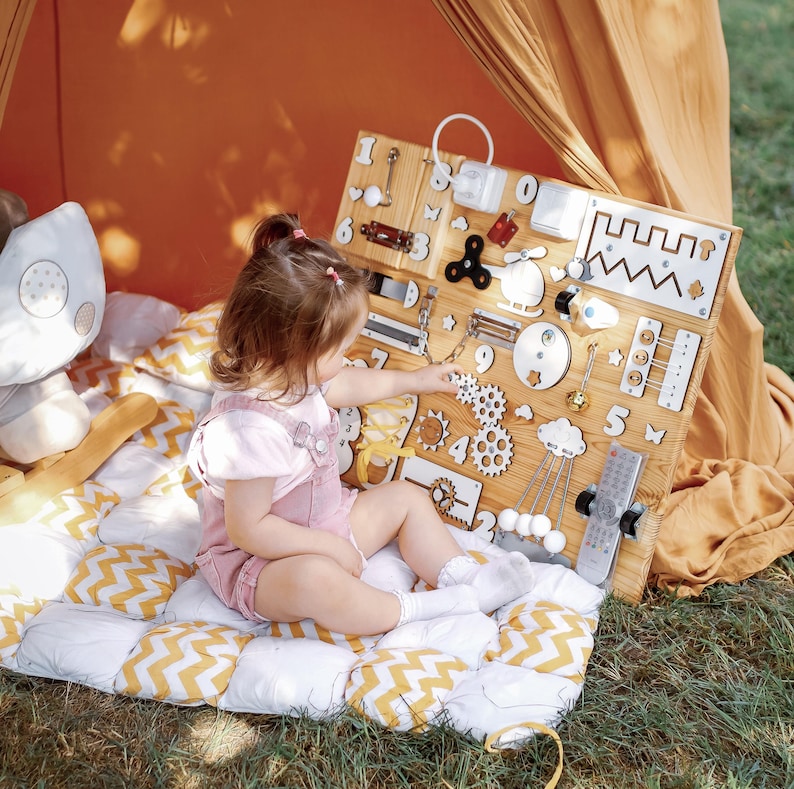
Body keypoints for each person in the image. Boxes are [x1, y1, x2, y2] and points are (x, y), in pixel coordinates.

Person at [187, 213, 535, 635]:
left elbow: (350, 384)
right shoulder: (247, 431)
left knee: (406, 498)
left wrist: (414, 381)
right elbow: (249, 529)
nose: (348, 358)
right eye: (342, 348)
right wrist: (326, 547)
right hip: (262, 564)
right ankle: (427, 608)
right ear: (294, 350)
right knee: (317, 581)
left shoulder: (296, 378)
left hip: (324, 524)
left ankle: (465, 579)